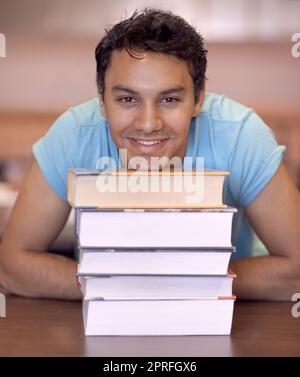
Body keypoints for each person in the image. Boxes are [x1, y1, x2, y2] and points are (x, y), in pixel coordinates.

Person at [0, 9, 299, 301]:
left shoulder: (240, 136)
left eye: (169, 99)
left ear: (198, 99)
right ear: (102, 101)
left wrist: (197, 284)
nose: (147, 124)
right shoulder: (73, 133)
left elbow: (296, 269)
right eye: (127, 99)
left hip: (224, 321)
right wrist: (124, 287)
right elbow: (12, 266)